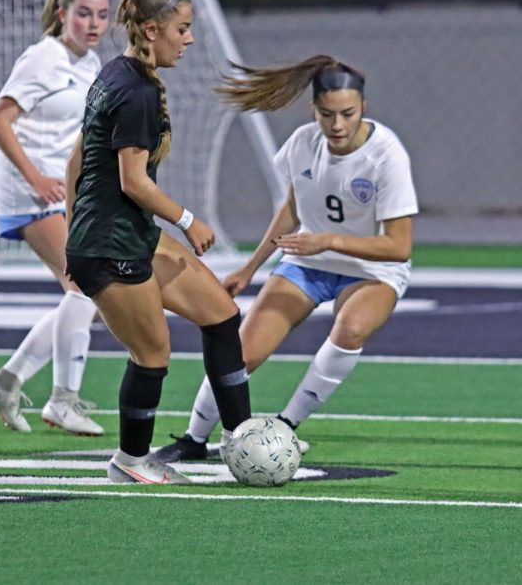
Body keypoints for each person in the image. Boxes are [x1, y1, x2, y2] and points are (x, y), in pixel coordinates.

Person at [153, 55, 419, 463]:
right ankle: (194, 438)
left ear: (363, 107)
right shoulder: (301, 143)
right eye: (327, 114)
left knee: (351, 328)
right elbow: (292, 208)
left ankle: (285, 428)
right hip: (308, 261)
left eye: (347, 114)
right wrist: (250, 267)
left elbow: (399, 246)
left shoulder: (387, 155)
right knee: (242, 353)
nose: (337, 125)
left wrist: (327, 240)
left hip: (372, 270)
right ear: (314, 109)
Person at [64, 0, 252, 484]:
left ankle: (240, 439)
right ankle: (129, 461)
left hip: (124, 235)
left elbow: (77, 157)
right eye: (183, 29)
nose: (189, 39)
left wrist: (68, 230)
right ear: (151, 30)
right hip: (111, 244)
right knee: (152, 354)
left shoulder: (117, 73)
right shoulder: (136, 92)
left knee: (221, 314)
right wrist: (189, 220)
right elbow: (132, 181)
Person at [0, 0, 109, 436]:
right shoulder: (42, 59)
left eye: (102, 16)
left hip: (61, 193)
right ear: (62, 14)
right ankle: (62, 401)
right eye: (83, 14)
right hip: (29, 194)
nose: (93, 24)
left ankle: (6, 381)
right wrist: (35, 178)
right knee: (86, 287)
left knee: (85, 296)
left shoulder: (90, 65)